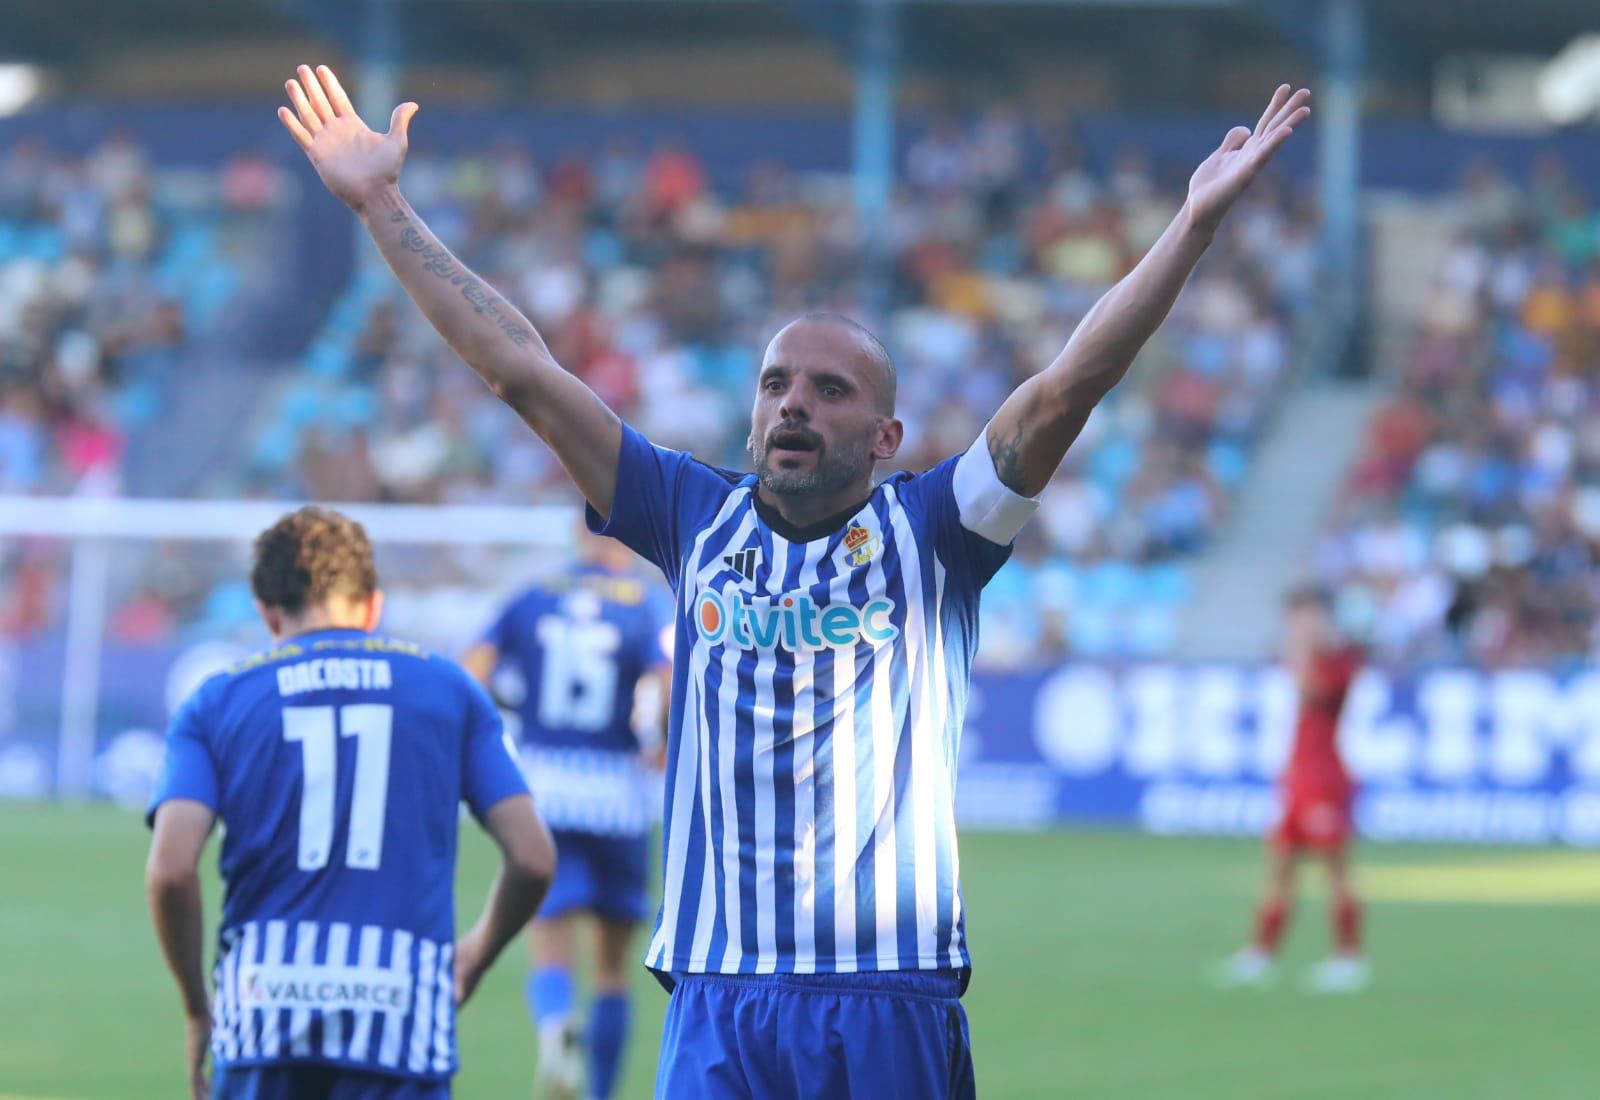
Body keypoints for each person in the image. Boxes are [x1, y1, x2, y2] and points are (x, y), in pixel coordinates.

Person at [279, 64, 1310, 1096]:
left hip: (884, 990)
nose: (794, 404)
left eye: (829, 388)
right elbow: (521, 370)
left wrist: (1191, 228)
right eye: (775, 383)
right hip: (718, 992)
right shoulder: (688, 513)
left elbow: (1069, 384)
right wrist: (381, 203)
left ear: (886, 434)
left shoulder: (938, 530)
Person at [145, 506, 557, 1099]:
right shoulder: (449, 690)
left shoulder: (218, 701)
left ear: (266, 613)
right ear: (373, 606)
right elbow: (534, 858)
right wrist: (476, 954)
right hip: (401, 1021)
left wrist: (195, 1007)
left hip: (262, 1014)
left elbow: (172, 869)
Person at [461, 528, 671, 1100]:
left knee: (548, 936)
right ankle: (600, 1092)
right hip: (619, 798)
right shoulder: (646, 601)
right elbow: (662, 681)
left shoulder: (531, 596)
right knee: (610, 967)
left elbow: (472, 673)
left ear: (580, 534)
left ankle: (556, 1028)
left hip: (545, 791)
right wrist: (654, 736)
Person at [1221, 586, 1369, 993]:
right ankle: (1261, 954)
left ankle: (1349, 957)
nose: (1298, 626)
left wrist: (1299, 652)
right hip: (1299, 777)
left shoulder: (1338, 663)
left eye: (1306, 617)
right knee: (1281, 868)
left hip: (1326, 779)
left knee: (1335, 869)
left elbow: (1312, 695)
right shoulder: (1308, 658)